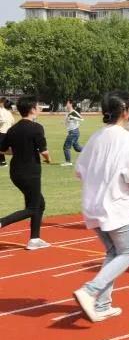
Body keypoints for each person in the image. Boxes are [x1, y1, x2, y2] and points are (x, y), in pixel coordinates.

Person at [72, 91, 129, 322]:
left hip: (92, 204)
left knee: (114, 252)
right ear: (126, 111)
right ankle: (90, 291)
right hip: (114, 205)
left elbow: (79, 170)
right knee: (128, 253)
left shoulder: (96, 136)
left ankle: (102, 304)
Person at [0, 96, 51, 249]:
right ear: (32, 109)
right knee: (33, 207)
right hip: (31, 172)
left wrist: (18, 151)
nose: (39, 108)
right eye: (38, 106)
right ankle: (2, 221)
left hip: (15, 172)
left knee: (39, 203)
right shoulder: (37, 128)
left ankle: (34, 239)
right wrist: (48, 159)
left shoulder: (13, 129)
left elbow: (3, 149)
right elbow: (44, 151)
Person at [61, 99, 84, 167]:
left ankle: (68, 162)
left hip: (74, 132)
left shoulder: (74, 112)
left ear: (70, 104)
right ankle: (89, 150)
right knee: (77, 148)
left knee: (66, 147)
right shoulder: (68, 113)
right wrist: (64, 121)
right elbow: (66, 122)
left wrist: (74, 118)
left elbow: (82, 119)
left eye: (67, 103)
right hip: (72, 132)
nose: (66, 104)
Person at [0, 97, 15, 167]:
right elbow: (13, 122)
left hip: (2, 132)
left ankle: (2, 162)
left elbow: (2, 120)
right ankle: (2, 162)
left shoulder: (1, 111)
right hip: (8, 132)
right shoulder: (8, 112)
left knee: (2, 148)